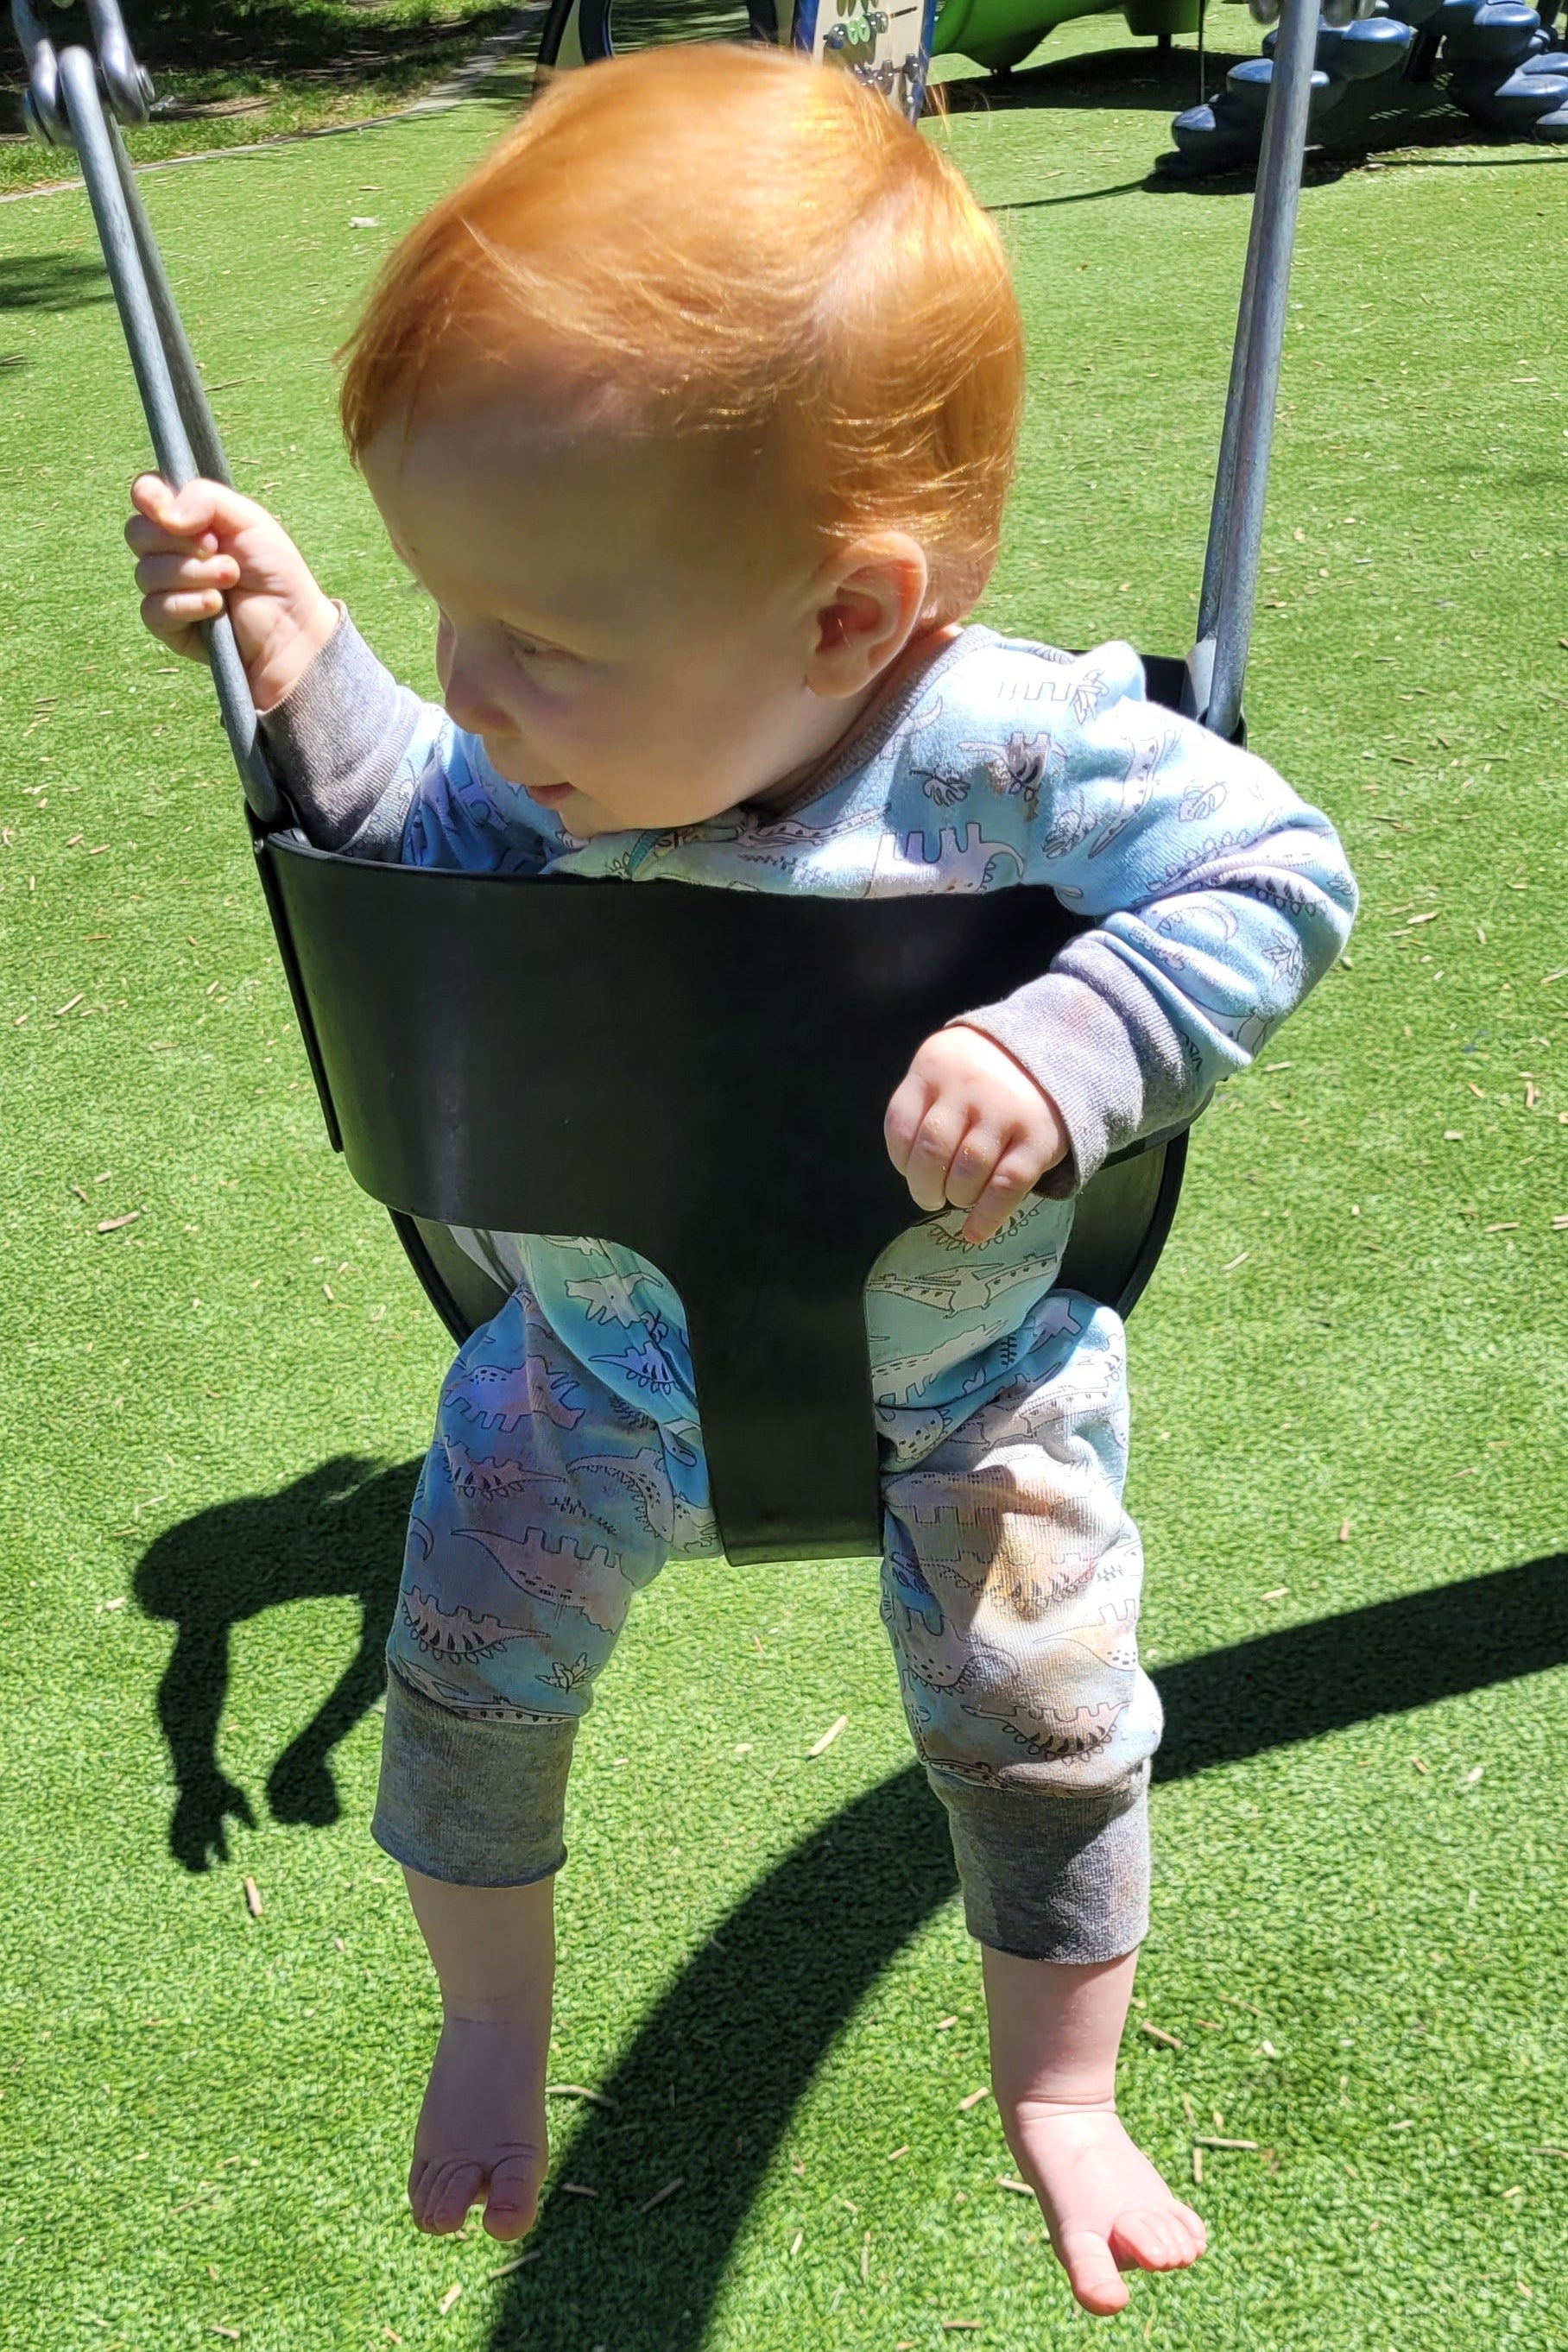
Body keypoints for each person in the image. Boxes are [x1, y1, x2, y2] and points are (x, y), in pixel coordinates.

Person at [125, 41, 1356, 2317]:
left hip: (971, 1373)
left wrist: (1070, 1040)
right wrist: (308, 650)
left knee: (1049, 1716)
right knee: (466, 1676)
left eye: (536, 639)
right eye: (446, 615)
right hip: (590, 1368)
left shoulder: (1004, 747)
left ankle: (1064, 2079)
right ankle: (493, 2013)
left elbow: (1278, 872)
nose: (475, 691)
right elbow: (416, 809)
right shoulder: (552, 746)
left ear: (847, 621)